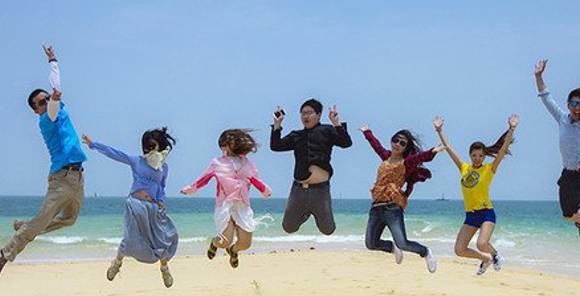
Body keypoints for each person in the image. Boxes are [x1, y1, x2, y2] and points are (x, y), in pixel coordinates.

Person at [1, 46, 86, 276]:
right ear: (36, 110)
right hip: (61, 178)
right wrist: (54, 95)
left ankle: (26, 227)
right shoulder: (47, 119)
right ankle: (5, 254)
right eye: (42, 101)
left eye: (47, 98)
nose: (47, 100)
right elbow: (55, 97)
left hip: (78, 177)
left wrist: (53, 60)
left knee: (69, 219)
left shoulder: (59, 109)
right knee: (40, 222)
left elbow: (56, 88)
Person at [82, 128, 178, 287]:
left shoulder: (163, 168)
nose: (148, 149)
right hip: (135, 204)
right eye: (146, 146)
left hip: (153, 207)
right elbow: (115, 154)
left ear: (159, 146)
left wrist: (161, 201)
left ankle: (164, 268)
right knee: (130, 238)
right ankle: (117, 262)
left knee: (162, 237)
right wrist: (93, 144)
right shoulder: (137, 161)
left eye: (152, 146)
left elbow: (161, 187)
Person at [535, 59, 580, 272]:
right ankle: (579, 221)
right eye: (573, 104)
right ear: (568, 104)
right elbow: (546, 98)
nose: (576, 108)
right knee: (567, 215)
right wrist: (538, 76)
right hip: (568, 175)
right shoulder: (562, 118)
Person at [433, 114, 519, 275]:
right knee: (459, 250)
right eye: (474, 155)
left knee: (481, 243)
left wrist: (512, 129)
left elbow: (502, 149)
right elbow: (448, 148)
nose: (477, 158)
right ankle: (485, 259)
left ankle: (495, 255)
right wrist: (439, 131)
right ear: (470, 155)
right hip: (470, 215)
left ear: (484, 156)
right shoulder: (464, 168)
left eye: (480, 155)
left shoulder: (489, 169)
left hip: (486, 213)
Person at [181, 129, 271, 268]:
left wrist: (265, 191)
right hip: (224, 205)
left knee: (245, 244)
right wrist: (190, 189)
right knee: (224, 241)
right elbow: (204, 178)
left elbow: (255, 180)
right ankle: (214, 243)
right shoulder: (217, 163)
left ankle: (233, 250)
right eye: (225, 144)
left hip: (242, 206)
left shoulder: (248, 163)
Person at [360, 124, 443, 272]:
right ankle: (392, 248)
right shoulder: (385, 156)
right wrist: (367, 132)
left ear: (406, 148)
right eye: (396, 140)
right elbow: (376, 145)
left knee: (403, 243)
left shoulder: (406, 163)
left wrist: (433, 151)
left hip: (392, 208)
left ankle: (425, 251)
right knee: (371, 244)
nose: (397, 144)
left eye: (402, 143)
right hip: (376, 208)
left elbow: (420, 157)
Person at [270, 99, 352, 235]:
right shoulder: (296, 135)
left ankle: (312, 210)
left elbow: (346, 143)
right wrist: (277, 125)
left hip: (321, 190)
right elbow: (276, 146)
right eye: (303, 113)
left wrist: (336, 124)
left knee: (327, 230)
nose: (305, 116)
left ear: (319, 115)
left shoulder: (327, 130)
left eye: (309, 113)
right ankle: (306, 213)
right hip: (299, 189)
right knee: (288, 227)